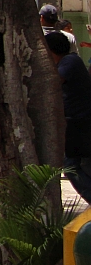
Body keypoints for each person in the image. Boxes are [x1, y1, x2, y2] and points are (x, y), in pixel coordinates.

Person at [45, 31, 91, 202]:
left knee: (71, 166)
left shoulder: (70, 61)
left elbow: (53, 82)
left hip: (79, 123)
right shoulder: (68, 61)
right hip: (75, 122)